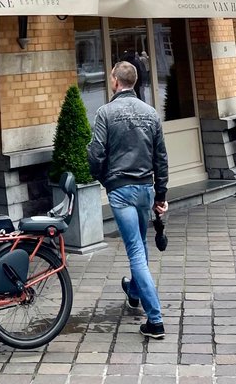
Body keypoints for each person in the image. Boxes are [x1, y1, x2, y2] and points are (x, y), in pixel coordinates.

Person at [87, 60, 169, 339]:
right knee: (140, 244)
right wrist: (161, 194)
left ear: (115, 81)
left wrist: (105, 180)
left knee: (135, 250)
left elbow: (95, 153)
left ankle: (155, 320)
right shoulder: (151, 113)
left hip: (121, 191)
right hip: (145, 189)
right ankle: (133, 290)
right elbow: (161, 158)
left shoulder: (105, 113)